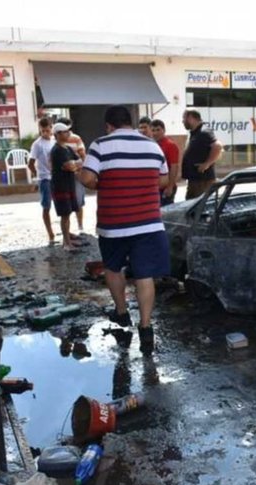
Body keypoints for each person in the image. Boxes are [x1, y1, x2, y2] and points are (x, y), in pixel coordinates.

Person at [79, 105, 170, 354]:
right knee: (144, 275)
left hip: (115, 224)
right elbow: (163, 179)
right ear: (130, 123)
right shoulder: (153, 145)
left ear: (109, 125)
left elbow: (87, 179)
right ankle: (146, 327)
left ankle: (121, 313)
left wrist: (99, 180)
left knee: (113, 268)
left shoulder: (101, 144)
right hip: (149, 223)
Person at [50, 123, 82, 250]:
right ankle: (66, 243)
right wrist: (74, 165)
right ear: (57, 135)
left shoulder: (68, 149)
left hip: (69, 185)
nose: (68, 133)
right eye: (65, 131)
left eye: (68, 131)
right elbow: (69, 166)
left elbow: (79, 161)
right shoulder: (57, 150)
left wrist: (74, 164)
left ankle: (68, 240)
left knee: (69, 213)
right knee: (65, 214)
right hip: (60, 186)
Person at [181, 108, 223, 199]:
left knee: (199, 208)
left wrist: (207, 163)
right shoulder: (195, 133)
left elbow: (218, 146)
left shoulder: (204, 132)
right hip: (195, 180)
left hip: (203, 181)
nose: (182, 121)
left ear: (191, 118)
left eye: (184, 118)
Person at [28, 117, 55, 245]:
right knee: (46, 206)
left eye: (47, 130)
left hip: (57, 178)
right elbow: (31, 163)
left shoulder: (55, 141)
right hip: (45, 178)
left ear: (51, 128)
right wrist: (36, 177)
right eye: (42, 131)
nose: (45, 133)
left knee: (63, 205)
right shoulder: (37, 144)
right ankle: (50, 233)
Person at [56, 117, 87, 232]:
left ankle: (80, 226)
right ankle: (68, 233)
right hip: (63, 178)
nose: (67, 132)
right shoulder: (56, 144)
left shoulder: (75, 139)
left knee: (78, 201)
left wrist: (78, 166)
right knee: (66, 205)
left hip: (76, 175)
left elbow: (82, 156)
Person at [151, 119, 179, 206]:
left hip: (166, 188)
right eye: (153, 130)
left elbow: (174, 167)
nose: (155, 133)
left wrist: (170, 186)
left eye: (158, 130)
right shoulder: (153, 145)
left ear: (164, 130)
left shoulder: (170, 145)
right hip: (156, 187)